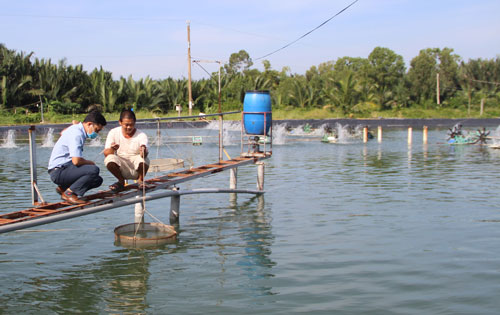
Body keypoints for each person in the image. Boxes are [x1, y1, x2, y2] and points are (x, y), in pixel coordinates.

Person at [48, 110, 107, 205]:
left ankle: (64, 188)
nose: (96, 133)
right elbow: (76, 161)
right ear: (89, 124)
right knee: (93, 170)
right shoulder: (77, 134)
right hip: (59, 171)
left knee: (97, 180)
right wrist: (89, 162)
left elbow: (63, 132)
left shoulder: (77, 129)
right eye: (96, 130)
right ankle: (69, 193)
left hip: (64, 169)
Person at [103, 109, 149, 193]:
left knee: (143, 160)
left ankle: (140, 180)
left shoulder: (141, 135)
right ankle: (121, 181)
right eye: (126, 125)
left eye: (131, 125)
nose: (129, 127)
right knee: (109, 158)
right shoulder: (113, 133)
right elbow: (106, 153)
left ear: (134, 123)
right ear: (120, 122)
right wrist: (112, 149)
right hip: (122, 167)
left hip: (136, 168)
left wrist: (143, 151)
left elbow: (144, 155)